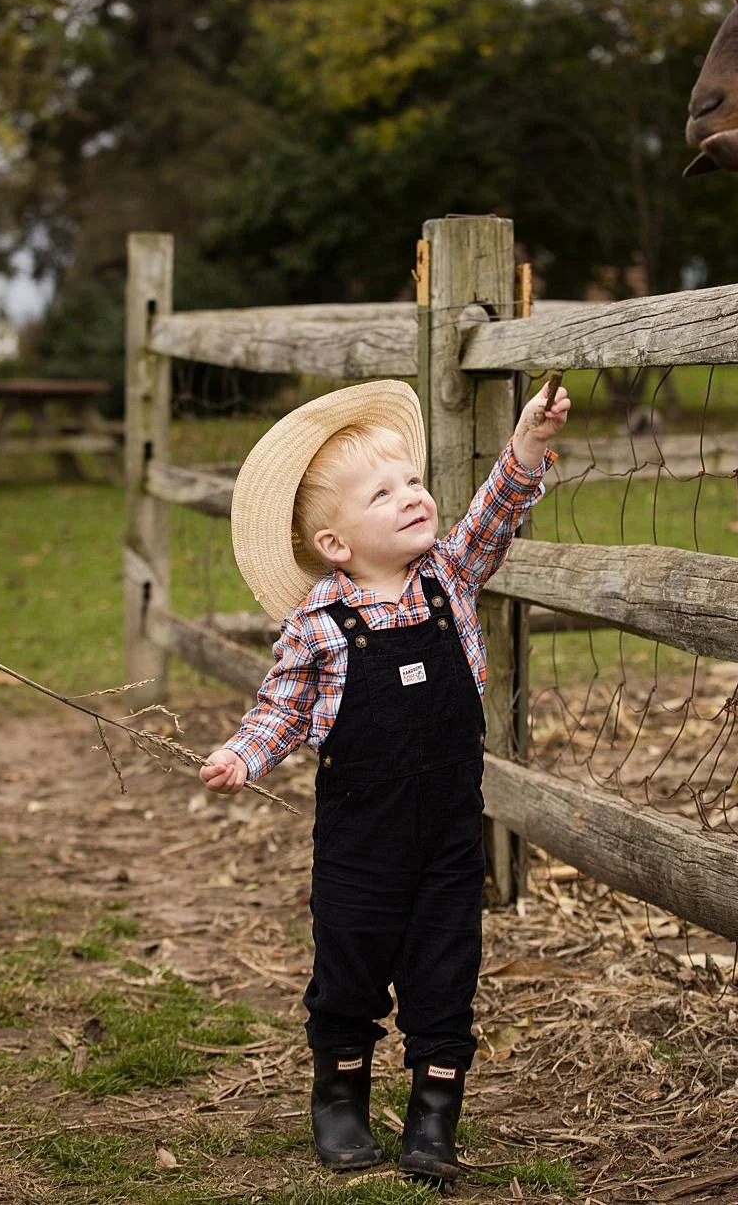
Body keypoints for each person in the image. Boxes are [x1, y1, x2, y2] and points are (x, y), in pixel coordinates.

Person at [200, 377, 570, 1180]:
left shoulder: (451, 578)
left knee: (446, 973)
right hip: (359, 846)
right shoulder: (321, 627)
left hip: (445, 838)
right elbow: (282, 713)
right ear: (337, 544)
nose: (412, 497)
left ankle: (434, 1114)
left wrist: (528, 442)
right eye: (383, 493)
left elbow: (495, 512)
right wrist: (240, 754)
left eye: (412, 482)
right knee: (350, 968)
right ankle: (340, 1096)